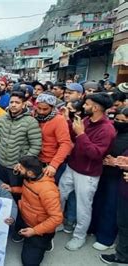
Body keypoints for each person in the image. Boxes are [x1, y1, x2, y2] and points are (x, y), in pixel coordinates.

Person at [59, 93, 116, 251]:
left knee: (83, 207)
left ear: (96, 108)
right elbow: (75, 137)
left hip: (88, 174)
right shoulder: (86, 120)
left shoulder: (107, 129)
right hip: (72, 167)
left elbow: (96, 154)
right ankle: (57, 222)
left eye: (87, 104)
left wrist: (82, 134)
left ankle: (79, 236)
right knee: (59, 194)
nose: (83, 106)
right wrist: (68, 121)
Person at [0, 91, 42, 198]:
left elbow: (36, 146)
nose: (13, 105)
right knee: (0, 191)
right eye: (11, 102)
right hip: (1, 164)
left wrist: (23, 163)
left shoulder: (31, 122)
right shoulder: (2, 119)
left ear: (23, 104)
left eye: (17, 102)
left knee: (15, 195)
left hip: (17, 168)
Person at [90, 107, 128, 251]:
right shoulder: (112, 130)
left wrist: (118, 162)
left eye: (123, 121)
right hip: (104, 172)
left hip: (119, 178)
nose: (118, 122)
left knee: (111, 207)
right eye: (117, 119)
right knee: (98, 201)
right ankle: (95, 228)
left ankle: (106, 238)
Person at [14, 156, 63, 266]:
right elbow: (27, 190)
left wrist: (34, 231)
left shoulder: (48, 191)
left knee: (29, 263)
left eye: (21, 168)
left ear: (30, 173)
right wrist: (11, 189)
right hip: (25, 217)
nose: (18, 169)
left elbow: (57, 218)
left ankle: (47, 241)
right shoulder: (30, 177)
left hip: (37, 228)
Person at [34, 92, 72, 178]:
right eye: (39, 108)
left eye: (45, 109)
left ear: (52, 108)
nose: (41, 111)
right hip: (36, 161)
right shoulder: (34, 116)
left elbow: (65, 144)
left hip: (51, 164)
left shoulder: (59, 120)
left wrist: (54, 165)